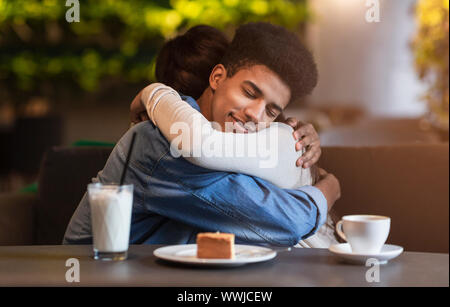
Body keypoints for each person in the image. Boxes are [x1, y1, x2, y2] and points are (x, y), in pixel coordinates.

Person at [63, 23, 341, 247]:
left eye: (271, 110)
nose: (256, 115)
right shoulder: (165, 143)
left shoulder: (236, 144)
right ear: (216, 78)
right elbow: (285, 223)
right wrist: (329, 188)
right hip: (97, 273)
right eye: (249, 92)